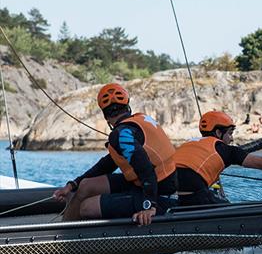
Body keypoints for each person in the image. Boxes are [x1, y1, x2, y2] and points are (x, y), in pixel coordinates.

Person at [53, 83, 177, 225]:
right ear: (127, 107)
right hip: (147, 183)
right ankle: (65, 230)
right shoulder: (139, 121)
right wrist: (73, 185)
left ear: (106, 116)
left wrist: (149, 206)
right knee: (86, 185)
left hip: (159, 193)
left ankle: (66, 241)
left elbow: (145, 168)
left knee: (86, 207)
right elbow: (107, 164)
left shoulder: (121, 134)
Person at [173, 110, 262, 206]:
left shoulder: (187, 144)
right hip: (195, 194)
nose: (231, 138)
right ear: (218, 132)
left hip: (172, 190)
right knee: (227, 207)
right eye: (230, 133)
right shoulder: (225, 150)